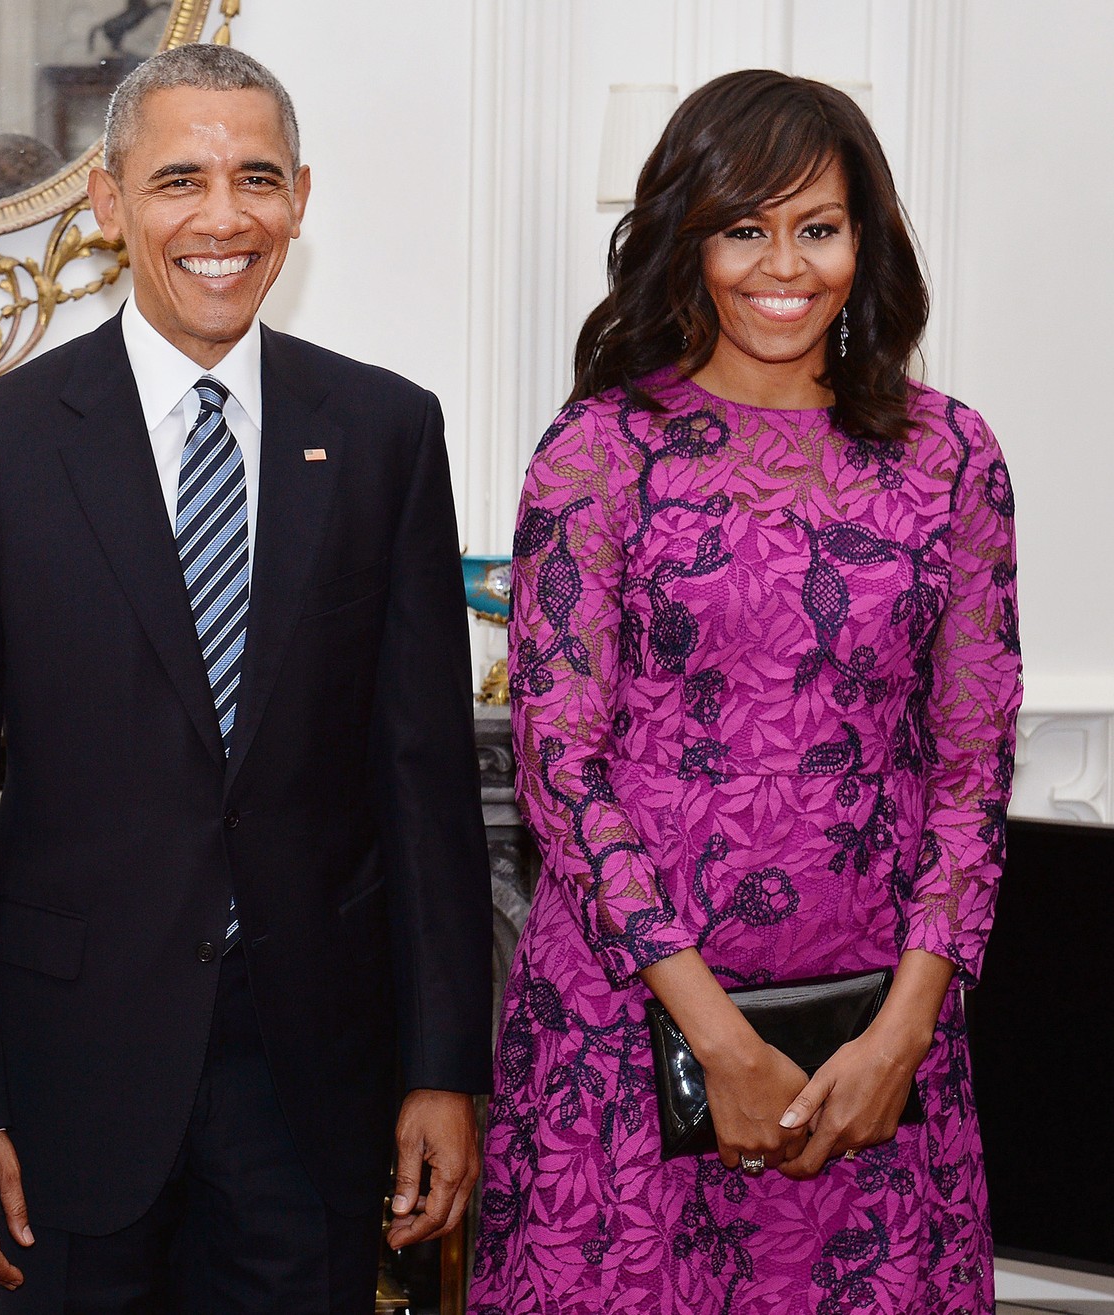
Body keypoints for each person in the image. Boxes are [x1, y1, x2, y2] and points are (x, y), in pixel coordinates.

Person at [0, 43, 491, 1313]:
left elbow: (425, 776)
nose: (223, 218)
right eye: (178, 180)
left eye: (256, 179)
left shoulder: (388, 432)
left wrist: (443, 1067)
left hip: (314, 1091)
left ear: (302, 197)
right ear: (107, 203)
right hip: (64, 1086)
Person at [470, 70, 1021, 1313]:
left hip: (873, 1066)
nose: (786, 264)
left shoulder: (950, 457)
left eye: (818, 227)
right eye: (745, 227)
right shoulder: (600, 451)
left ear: (864, 241)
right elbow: (562, 767)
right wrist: (715, 1038)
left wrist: (904, 1035)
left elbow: (973, 768)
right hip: (623, 1046)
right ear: (692, 241)